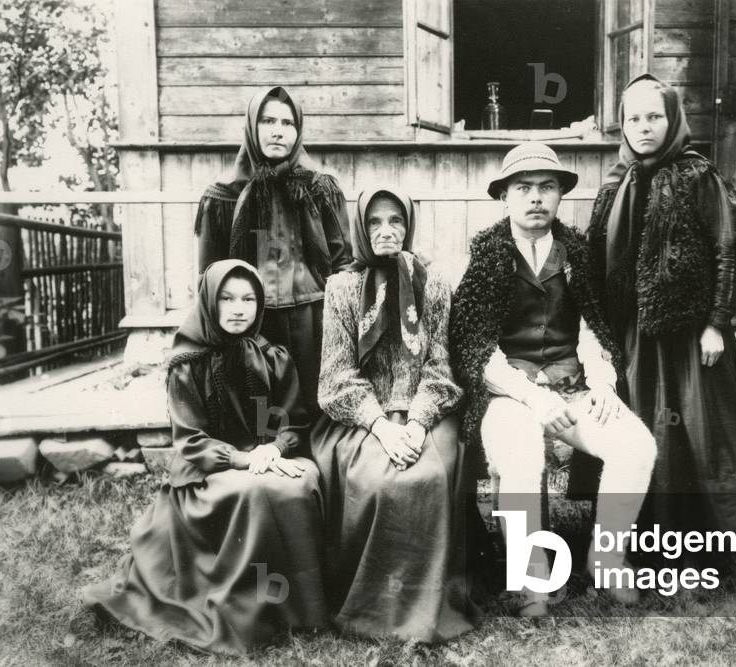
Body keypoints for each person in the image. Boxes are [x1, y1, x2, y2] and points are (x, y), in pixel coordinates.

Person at [448, 142, 657, 616]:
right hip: (508, 392)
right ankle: (532, 581)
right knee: (520, 458)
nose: (536, 198)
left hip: (573, 387)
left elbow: (591, 328)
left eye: (547, 187)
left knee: (637, 445)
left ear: (561, 195)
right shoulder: (486, 258)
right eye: (524, 188)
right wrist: (531, 398)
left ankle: (606, 558)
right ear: (504, 197)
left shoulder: (576, 254)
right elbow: (477, 351)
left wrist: (602, 383)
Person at [81, 260, 327, 655]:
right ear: (210, 301)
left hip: (264, 455)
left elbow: (291, 422)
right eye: (227, 298)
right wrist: (243, 460)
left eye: (248, 298)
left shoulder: (270, 357)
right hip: (209, 466)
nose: (238, 308)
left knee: (300, 483)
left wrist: (271, 447)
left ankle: (295, 609)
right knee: (255, 493)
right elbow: (191, 438)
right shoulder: (188, 363)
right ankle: (250, 607)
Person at [587, 74, 736, 572]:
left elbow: (727, 248)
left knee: (699, 433)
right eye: (634, 119)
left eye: (655, 117)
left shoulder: (698, 175)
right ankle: (647, 536)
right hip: (635, 333)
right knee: (646, 429)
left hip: (692, 333)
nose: (644, 127)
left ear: (673, 121)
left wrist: (716, 321)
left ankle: (717, 543)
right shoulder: (617, 183)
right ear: (622, 126)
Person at [311, 187, 476, 642]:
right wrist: (383, 426)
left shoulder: (434, 283)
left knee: (428, 478)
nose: (386, 231)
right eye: (375, 223)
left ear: (409, 225)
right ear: (361, 229)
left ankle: (428, 604)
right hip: (363, 416)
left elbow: (442, 365)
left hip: (427, 409)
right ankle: (373, 606)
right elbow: (337, 375)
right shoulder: (342, 288)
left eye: (396, 221)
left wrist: (419, 422)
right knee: (377, 481)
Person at [194, 86, 352, 417]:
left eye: (287, 122)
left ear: (298, 130)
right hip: (251, 319)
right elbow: (210, 277)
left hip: (314, 317)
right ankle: (269, 453)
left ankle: (316, 462)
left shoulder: (319, 188)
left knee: (315, 402)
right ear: (252, 127)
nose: (278, 131)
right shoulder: (223, 196)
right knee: (262, 402)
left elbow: (342, 263)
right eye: (267, 121)